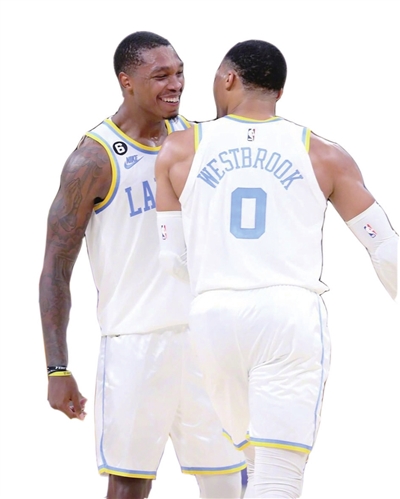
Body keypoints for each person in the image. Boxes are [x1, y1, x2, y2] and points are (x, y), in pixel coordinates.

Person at [154, 39, 398, 498]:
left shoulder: (179, 149)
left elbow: (171, 258)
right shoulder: (323, 153)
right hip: (287, 316)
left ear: (228, 78)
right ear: (279, 93)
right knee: (278, 475)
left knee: (256, 464)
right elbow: (384, 245)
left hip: (214, 317)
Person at [39, 31, 246, 499]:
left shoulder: (197, 141)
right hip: (135, 344)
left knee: (229, 480)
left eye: (180, 73)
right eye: (161, 76)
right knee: (130, 485)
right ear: (126, 81)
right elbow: (55, 267)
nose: (176, 84)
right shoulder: (92, 160)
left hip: (204, 339)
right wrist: (57, 368)